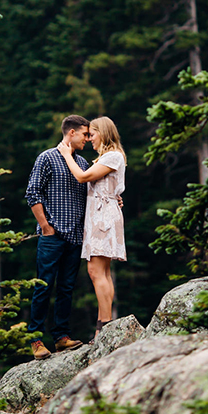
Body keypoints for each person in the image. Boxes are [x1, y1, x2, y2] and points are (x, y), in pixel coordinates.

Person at [24, 115, 90, 360]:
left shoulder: (82, 162)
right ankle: (36, 340)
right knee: (44, 286)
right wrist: (45, 226)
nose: (88, 139)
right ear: (71, 133)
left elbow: (92, 193)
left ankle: (61, 337)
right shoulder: (46, 157)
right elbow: (32, 193)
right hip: (52, 236)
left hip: (75, 236)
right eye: (85, 134)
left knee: (67, 288)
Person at [56, 115, 127, 341]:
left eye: (92, 134)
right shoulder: (105, 158)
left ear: (103, 133)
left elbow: (83, 177)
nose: (89, 139)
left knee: (97, 272)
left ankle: (104, 326)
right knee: (101, 272)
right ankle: (102, 324)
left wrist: (67, 156)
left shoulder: (113, 156)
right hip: (99, 215)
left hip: (102, 218)